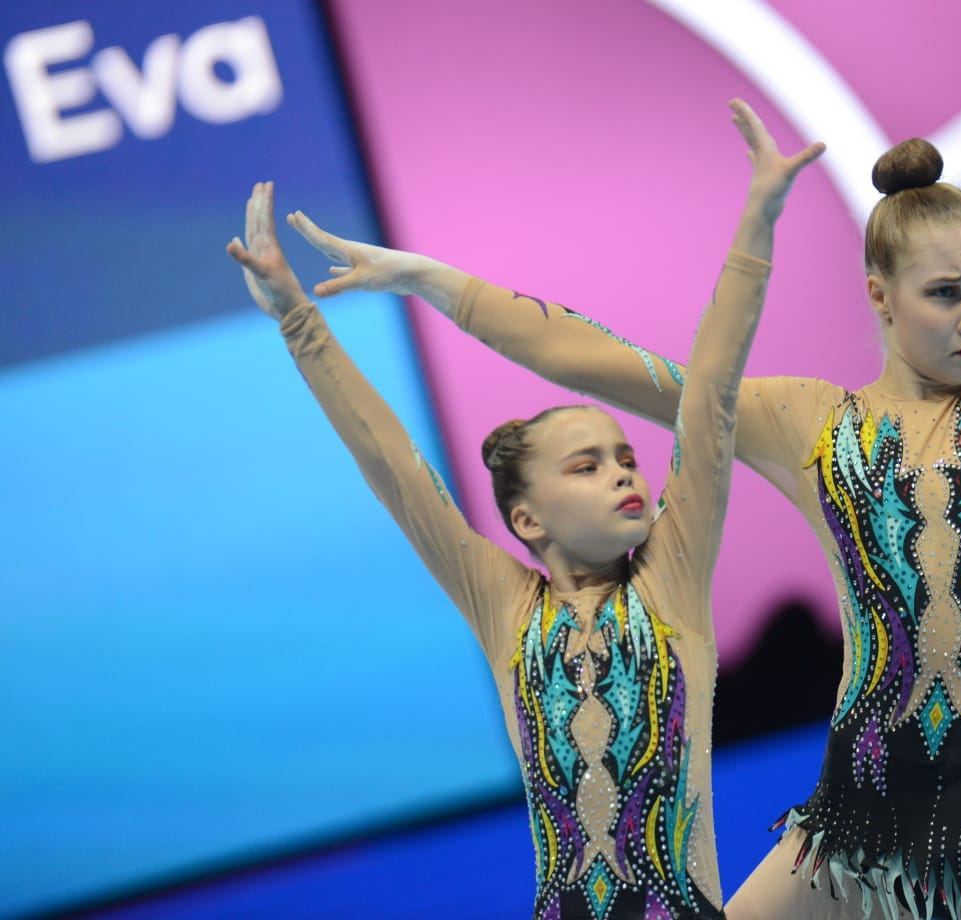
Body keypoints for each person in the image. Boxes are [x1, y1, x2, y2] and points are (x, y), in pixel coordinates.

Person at [285, 2, 961, 915]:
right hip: (859, 821)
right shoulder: (811, 424)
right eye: (946, 293)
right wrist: (431, 279)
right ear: (880, 296)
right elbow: (600, 360)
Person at [224, 99, 824, 919]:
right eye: (587, 466)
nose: (624, 475)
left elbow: (709, 396)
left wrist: (759, 218)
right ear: (527, 521)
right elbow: (396, 469)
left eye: (626, 458)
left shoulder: (671, 582)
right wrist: (300, 321)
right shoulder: (507, 610)